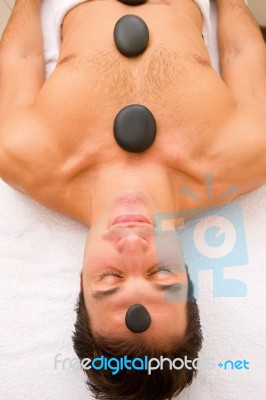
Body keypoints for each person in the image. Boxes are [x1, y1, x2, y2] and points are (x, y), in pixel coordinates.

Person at [0, 0, 265, 399]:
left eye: (110, 278)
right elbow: (240, 52)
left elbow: (20, 55)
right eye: (162, 274)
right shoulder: (246, 155)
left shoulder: (22, 156)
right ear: (189, 277)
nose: (133, 246)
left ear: (81, 282)